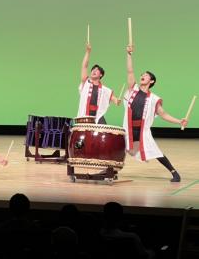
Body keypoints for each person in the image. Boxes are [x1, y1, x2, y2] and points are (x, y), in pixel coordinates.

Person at [123, 45, 187, 182]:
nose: (142, 76)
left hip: (142, 131)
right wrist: (129, 54)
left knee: (155, 151)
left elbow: (163, 114)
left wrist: (179, 121)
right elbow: (129, 71)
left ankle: (175, 173)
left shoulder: (154, 98)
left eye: (145, 76)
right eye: (142, 75)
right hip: (128, 128)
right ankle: (110, 170)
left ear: (151, 81)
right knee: (119, 148)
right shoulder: (133, 90)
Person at [77, 43, 120, 124]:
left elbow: (114, 99)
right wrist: (88, 52)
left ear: (101, 75)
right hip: (84, 116)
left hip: (98, 116)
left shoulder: (104, 90)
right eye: (93, 69)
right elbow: (84, 66)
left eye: (96, 70)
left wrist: (117, 101)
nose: (93, 71)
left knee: (104, 132)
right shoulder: (85, 83)